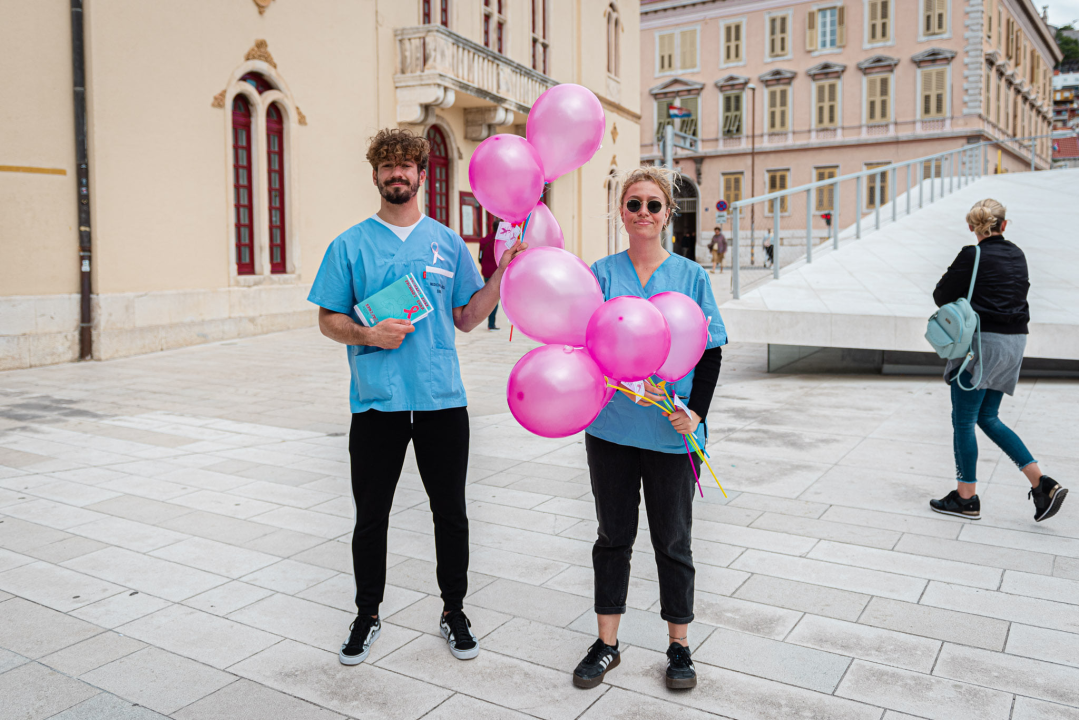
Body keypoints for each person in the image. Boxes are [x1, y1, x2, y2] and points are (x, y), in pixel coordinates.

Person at [308, 129, 527, 666]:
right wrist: (367, 334)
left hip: (440, 400)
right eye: (388, 167)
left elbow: (467, 318)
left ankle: (454, 611)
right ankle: (367, 613)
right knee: (371, 516)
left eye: (407, 166)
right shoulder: (349, 245)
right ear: (376, 176)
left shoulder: (447, 243)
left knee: (450, 513)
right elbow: (327, 320)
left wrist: (506, 271)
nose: (397, 175)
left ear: (422, 175)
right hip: (377, 403)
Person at [572, 167, 726, 691]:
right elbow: (581, 345)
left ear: (668, 214)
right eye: (633, 204)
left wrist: (697, 413)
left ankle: (679, 647)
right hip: (611, 431)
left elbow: (710, 353)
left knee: (673, 542)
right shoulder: (601, 273)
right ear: (621, 212)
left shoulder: (691, 277)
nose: (643, 213)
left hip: (669, 435)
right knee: (612, 538)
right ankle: (606, 643)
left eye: (653, 205)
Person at [929, 199, 1067, 522]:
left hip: (982, 346)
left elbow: (940, 295)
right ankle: (1042, 484)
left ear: (972, 227)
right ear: (1004, 225)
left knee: (963, 420)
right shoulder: (1018, 254)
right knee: (988, 417)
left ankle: (966, 498)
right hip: (1014, 344)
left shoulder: (972, 254)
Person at [477, 219, 501, 330]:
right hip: (497, 272)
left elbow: (480, 258)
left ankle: (490, 322)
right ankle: (491, 323)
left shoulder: (484, 240)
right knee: (494, 298)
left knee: (489, 296)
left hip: (486, 272)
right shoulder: (501, 241)